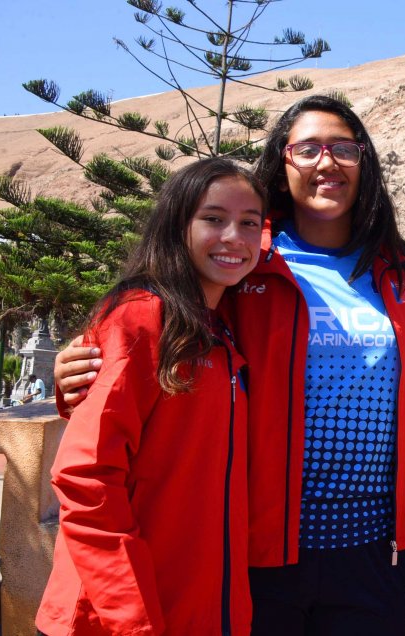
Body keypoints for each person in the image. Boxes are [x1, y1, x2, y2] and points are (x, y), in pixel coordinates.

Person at [52, 95, 405, 634]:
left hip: (374, 553)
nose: (327, 162)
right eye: (307, 149)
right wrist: (78, 371)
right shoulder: (246, 257)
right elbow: (161, 323)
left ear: (364, 162)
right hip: (256, 550)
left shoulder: (403, 272)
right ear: (282, 163)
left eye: (345, 149)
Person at [36, 158, 265, 635]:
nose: (234, 238)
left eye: (250, 223)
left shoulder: (222, 331)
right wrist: (132, 621)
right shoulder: (141, 318)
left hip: (199, 611)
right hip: (113, 618)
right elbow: (85, 477)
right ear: (176, 225)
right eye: (213, 218)